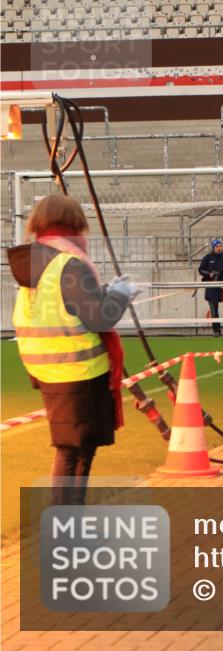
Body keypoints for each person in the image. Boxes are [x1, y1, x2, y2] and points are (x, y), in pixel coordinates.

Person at [8, 194, 139, 505]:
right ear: (75, 223)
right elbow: (98, 316)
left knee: (74, 449)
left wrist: (106, 292)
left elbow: (68, 309)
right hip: (79, 370)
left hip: (48, 369)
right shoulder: (68, 263)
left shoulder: (38, 262)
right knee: (76, 452)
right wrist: (120, 295)